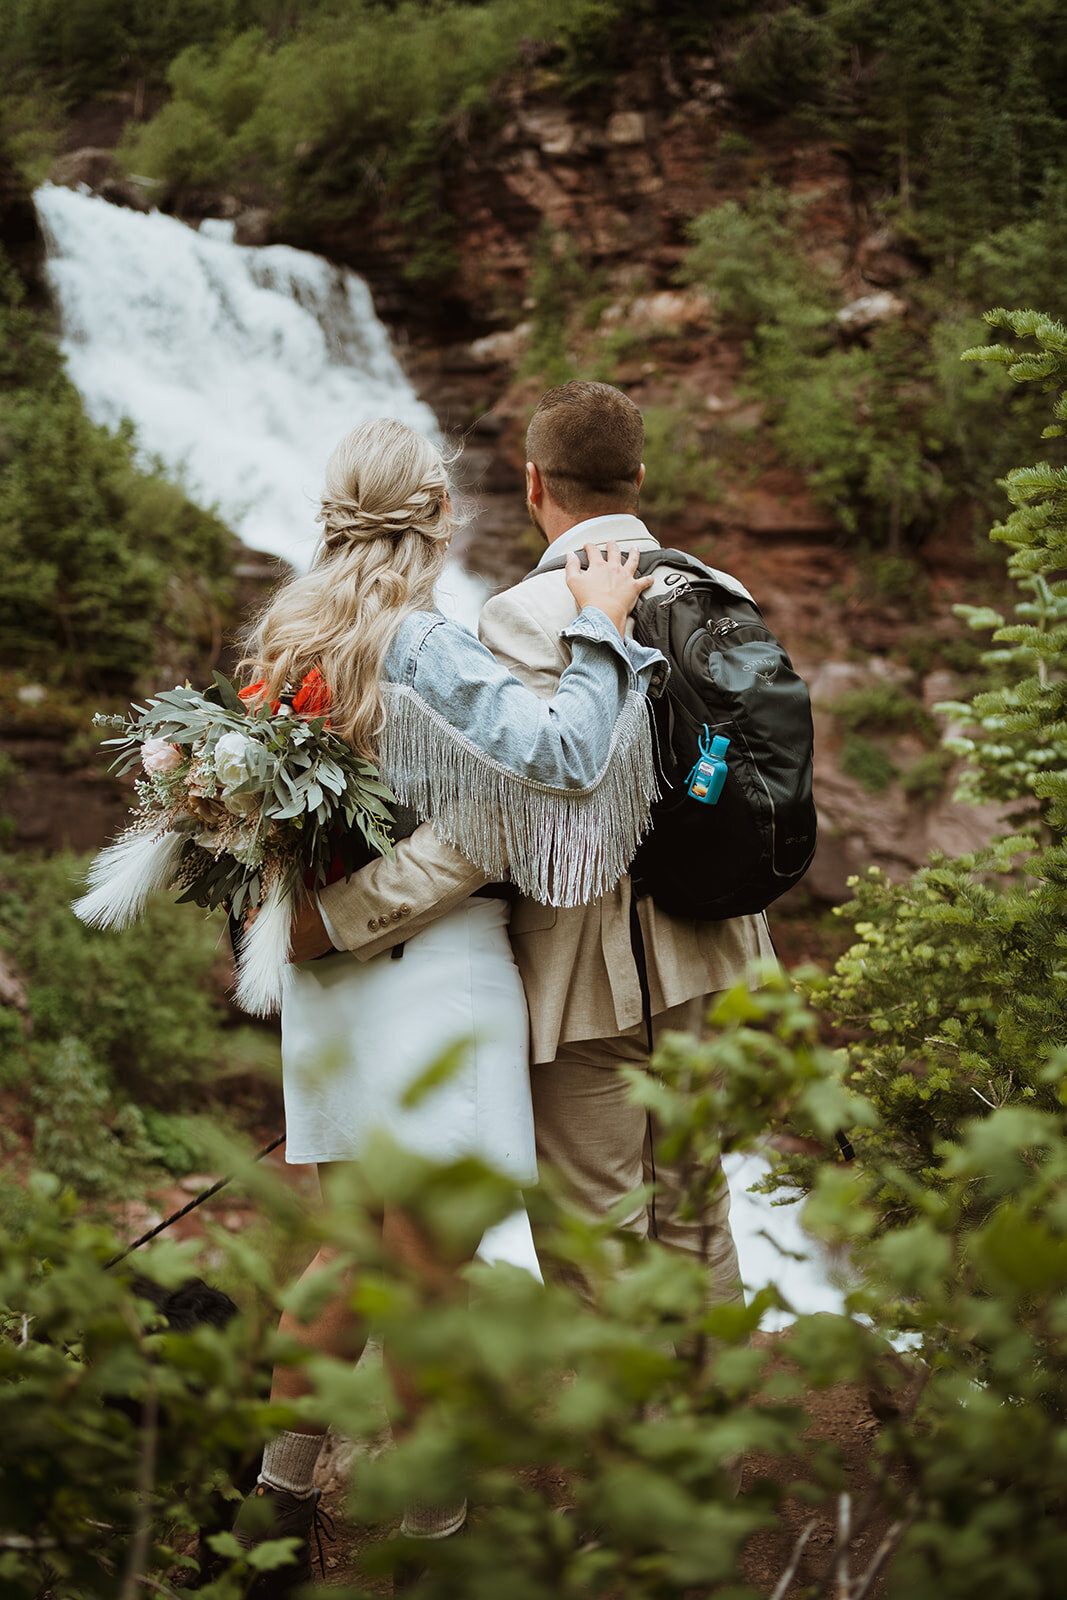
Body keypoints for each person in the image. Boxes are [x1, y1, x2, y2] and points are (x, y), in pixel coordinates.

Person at [231, 416, 663, 1593]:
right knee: (430, 1270)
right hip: (435, 983)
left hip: (327, 986)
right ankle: (437, 1543)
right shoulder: (420, 644)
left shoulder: (283, 645)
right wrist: (601, 632)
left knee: (349, 1250)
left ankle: (271, 1518)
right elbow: (566, 755)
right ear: (436, 515)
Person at [297, 382, 775, 1296]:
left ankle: (624, 1434)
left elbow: (494, 829)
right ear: (639, 475)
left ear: (529, 484)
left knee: (598, 1233)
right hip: (717, 950)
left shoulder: (525, 612)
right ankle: (711, 1425)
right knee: (697, 1206)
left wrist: (346, 917)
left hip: (587, 974)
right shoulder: (720, 590)